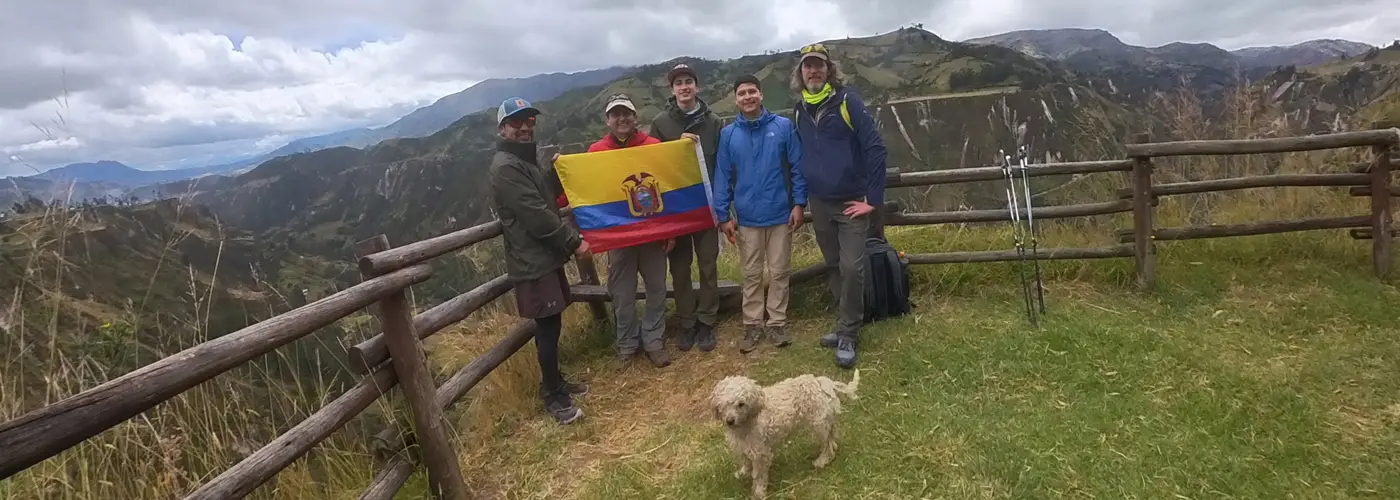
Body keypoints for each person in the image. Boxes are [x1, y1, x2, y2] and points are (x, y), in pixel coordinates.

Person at [487, 96, 590, 425]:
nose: (525, 128)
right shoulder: (505, 166)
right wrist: (573, 242)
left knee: (553, 323)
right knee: (547, 328)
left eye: (530, 121)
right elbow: (536, 215)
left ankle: (557, 383)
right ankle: (552, 395)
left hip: (541, 258)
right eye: (517, 122)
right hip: (532, 262)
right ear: (502, 128)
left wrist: (558, 175)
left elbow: (542, 195)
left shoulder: (521, 162)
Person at [789, 43, 889, 369]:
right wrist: (801, 200)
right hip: (819, 202)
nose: (814, 71)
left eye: (819, 65)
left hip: (850, 202)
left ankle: (849, 332)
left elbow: (875, 148)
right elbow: (802, 157)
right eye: (808, 66)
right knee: (834, 265)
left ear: (829, 70)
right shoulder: (800, 109)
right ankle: (844, 323)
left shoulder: (848, 102)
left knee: (851, 268)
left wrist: (872, 200)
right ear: (801, 74)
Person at [712, 74, 808, 353]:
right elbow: (723, 176)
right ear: (736, 99)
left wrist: (799, 203)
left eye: (752, 91)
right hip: (747, 218)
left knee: (779, 272)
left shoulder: (783, 127)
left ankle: (777, 323)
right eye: (742, 93)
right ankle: (753, 324)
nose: (748, 97)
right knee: (751, 273)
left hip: (780, 214)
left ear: (761, 94)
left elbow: (797, 168)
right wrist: (723, 215)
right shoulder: (728, 135)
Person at [582, 93, 675, 369]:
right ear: (608, 119)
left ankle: (654, 340)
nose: (622, 118)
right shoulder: (595, 152)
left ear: (636, 117)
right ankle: (626, 344)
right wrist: (558, 172)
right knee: (622, 293)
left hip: (653, 233)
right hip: (619, 238)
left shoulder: (654, 146)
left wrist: (671, 231)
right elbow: (585, 193)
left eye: (627, 113)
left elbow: (669, 189)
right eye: (616, 114)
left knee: (657, 289)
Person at [648, 63, 724, 353]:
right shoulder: (660, 123)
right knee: (680, 270)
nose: (684, 87)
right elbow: (654, 164)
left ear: (697, 86)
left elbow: (722, 164)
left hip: (706, 208)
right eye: (678, 83)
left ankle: (707, 321)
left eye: (688, 81)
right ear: (672, 89)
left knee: (708, 265)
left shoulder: (714, 122)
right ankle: (687, 322)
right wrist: (674, 148)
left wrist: (722, 205)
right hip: (677, 210)